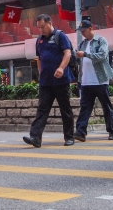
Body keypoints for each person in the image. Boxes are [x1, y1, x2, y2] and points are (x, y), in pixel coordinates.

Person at [23, 14, 75, 148]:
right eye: (39, 27)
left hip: (61, 80)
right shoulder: (39, 40)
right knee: (42, 109)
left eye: (43, 27)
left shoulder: (60, 36)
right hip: (46, 82)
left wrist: (61, 68)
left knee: (65, 109)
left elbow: (67, 53)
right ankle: (35, 137)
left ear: (50, 23)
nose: (41, 30)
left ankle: (69, 137)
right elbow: (39, 58)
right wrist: (40, 73)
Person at [73, 20, 113, 142]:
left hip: (100, 80)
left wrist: (85, 54)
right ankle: (80, 132)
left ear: (90, 28)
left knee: (106, 107)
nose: (82, 33)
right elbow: (79, 60)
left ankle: (112, 131)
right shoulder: (82, 43)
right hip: (86, 80)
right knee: (85, 107)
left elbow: (102, 56)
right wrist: (75, 56)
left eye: (84, 30)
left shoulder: (101, 40)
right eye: (81, 31)